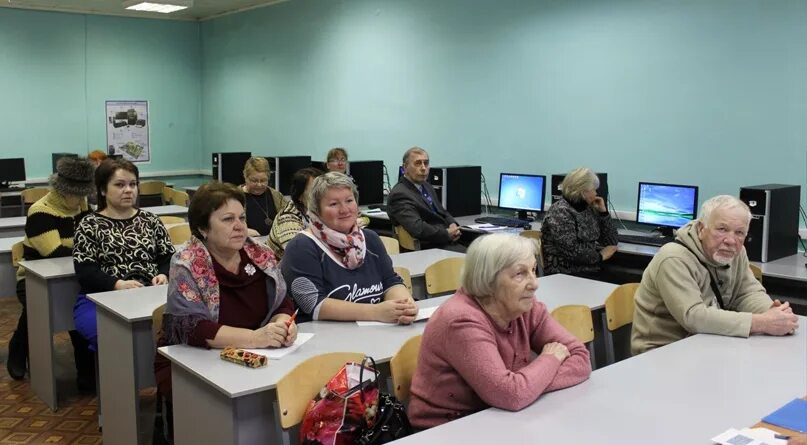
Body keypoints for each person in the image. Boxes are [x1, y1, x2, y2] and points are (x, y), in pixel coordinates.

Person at [407, 233, 592, 429]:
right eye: (520, 274)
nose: (534, 284)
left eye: (534, 270)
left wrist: (528, 386)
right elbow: (511, 395)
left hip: (500, 416)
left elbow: (581, 358)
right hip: (447, 428)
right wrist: (550, 359)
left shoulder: (525, 306)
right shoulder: (461, 320)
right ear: (488, 279)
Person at [155, 182, 296, 401]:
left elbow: (282, 302)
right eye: (228, 219)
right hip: (197, 361)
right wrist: (255, 338)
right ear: (203, 228)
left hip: (260, 357)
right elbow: (194, 329)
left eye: (242, 218)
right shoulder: (187, 263)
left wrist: (283, 324)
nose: (240, 226)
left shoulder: (261, 254)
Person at [631, 195, 799, 355]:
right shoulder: (673, 258)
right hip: (663, 352)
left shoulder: (737, 253)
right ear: (702, 229)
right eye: (722, 229)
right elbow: (693, 316)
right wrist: (761, 322)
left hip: (708, 343)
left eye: (739, 232)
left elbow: (747, 293)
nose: (731, 240)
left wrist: (773, 314)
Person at [72, 159, 176, 362]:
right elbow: (85, 271)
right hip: (103, 297)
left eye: (133, 184)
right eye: (119, 185)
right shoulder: (89, 224)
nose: (128, 190)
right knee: (106, 333)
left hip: (150, 294)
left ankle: (164, 376)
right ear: (103, 190)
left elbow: (168, 257)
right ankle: (117, 378)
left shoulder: (150, 220)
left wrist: (163, 274)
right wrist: (117, 284)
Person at [281, 172, 418, 324]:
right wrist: (375, 312)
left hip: (375, 332)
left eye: (349, 200)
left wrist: (405, 306)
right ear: (316, 211)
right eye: (333, 204)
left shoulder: (371, 239)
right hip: (326, 339)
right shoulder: (302, 247)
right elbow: (313, 305)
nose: (344, 209)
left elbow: (390, 281)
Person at [7, 157, 95, 384]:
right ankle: (19, 347)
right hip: (32, 281)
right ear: (62, 189)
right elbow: (55, 253)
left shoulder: (83, 205)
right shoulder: (40, 211)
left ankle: (86, 373)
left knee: (77, 314)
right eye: (77, 194)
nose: (81, 200)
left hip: (72, 276)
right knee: (40, 310)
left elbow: (93, 239)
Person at [541, 167, 618, 280]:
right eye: (594, 189)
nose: (596, 193)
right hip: (565, 274)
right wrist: (601, 256)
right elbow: (572, 251)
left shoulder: (588, 208)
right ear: (583, 192)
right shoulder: (560, 211)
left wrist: (603, 213)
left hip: (589, 269)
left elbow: (611, 242)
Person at [387, 147, 463, 251]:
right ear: (405, 167)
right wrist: (446, 233)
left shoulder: (426, 186)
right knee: (479, 258)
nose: (423, 168)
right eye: (418, 163)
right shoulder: (399, 194)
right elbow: (418, 229)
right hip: (430, 246)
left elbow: (442, 211)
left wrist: (453, 224)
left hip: (445, 239)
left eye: (426, 163)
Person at [266, 167, 323, 259]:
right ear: (299, 196)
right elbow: (299, 255)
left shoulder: (320, 212)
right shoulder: (287, 219)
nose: (320, 195)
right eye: (314, 191)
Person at [240, 156, 287, 236]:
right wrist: (244, 231)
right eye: (254, 181)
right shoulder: (235, 197)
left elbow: (289, 217)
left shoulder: (276, 196)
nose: (259, 185)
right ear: (245, 177)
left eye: (263, 180)